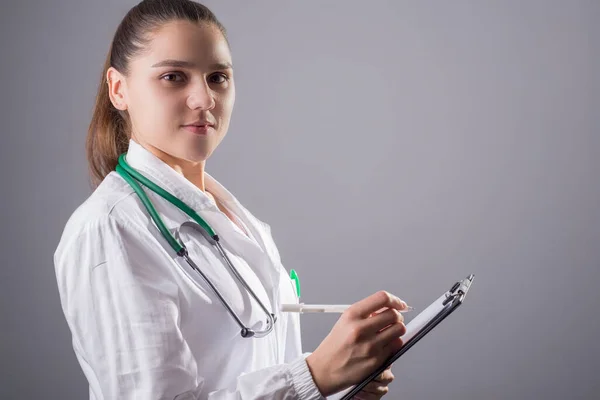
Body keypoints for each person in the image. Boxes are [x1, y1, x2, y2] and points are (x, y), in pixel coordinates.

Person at [53, 1, 409, 399]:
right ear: (119, 89)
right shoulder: (110, 230)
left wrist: (342, 385)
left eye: (218, 77)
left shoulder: (237, 220)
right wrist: (314, 376)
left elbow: (249, 370)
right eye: (173, 76)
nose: (204, 99)